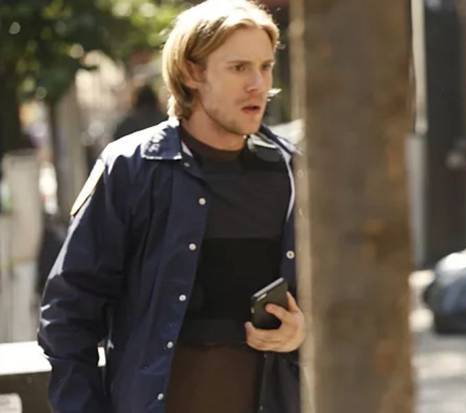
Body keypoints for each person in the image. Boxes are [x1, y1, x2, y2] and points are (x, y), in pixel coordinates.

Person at [37, 1, 304, 412]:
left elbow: (343, 302)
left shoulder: (292, 172)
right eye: (238, 68)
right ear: (193, 72)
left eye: (265, 66)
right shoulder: (131, 169)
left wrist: (303, 332)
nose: (258, 84)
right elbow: (69, 314)